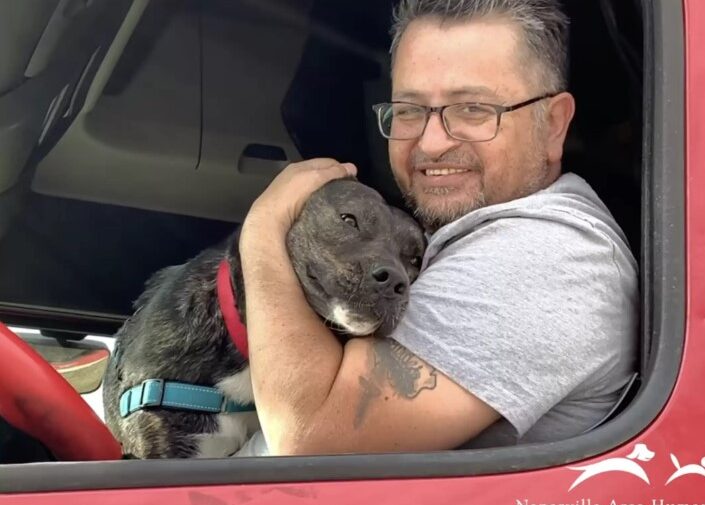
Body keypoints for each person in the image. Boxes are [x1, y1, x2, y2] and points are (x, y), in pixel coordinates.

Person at [237, 0, 638, 455]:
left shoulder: (550, 258)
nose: (431, 143)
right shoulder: (484, 233)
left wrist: (264, 228)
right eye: (409, 111)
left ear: (553, 125)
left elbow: (307, 438)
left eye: (472, 109)